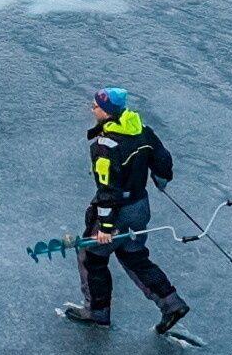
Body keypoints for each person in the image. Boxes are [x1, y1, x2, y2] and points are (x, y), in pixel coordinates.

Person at [63, 87, 191, 336]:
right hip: (140, 208)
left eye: (96, 106)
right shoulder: (142, 130)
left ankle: (97, 312)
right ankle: (171, 303)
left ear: (108, 111)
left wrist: (106, 228)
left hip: (117, 212)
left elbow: (107, 190)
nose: (92, 109)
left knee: (91, 257)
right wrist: (161, 178)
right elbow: (163, 159)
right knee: (134, 256)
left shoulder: (105, 145)